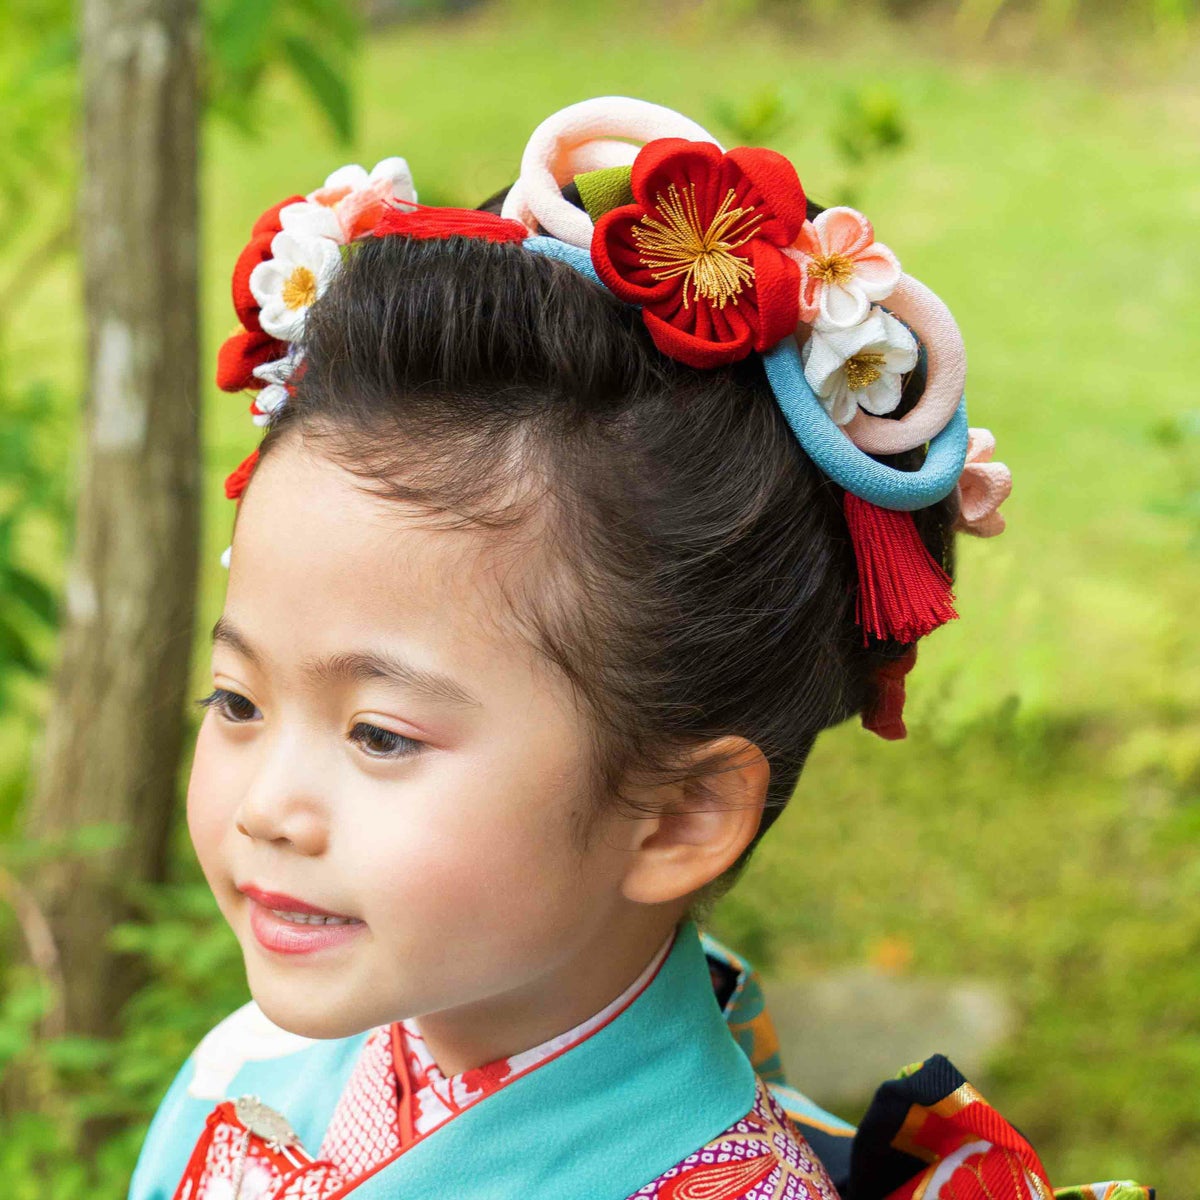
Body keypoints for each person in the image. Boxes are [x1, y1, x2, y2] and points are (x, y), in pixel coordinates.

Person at [127, 97, 1148, 1200]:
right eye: (237, 701)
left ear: (679, 814)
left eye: (379, 735)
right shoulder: (251, 1068)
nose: (265, 809)